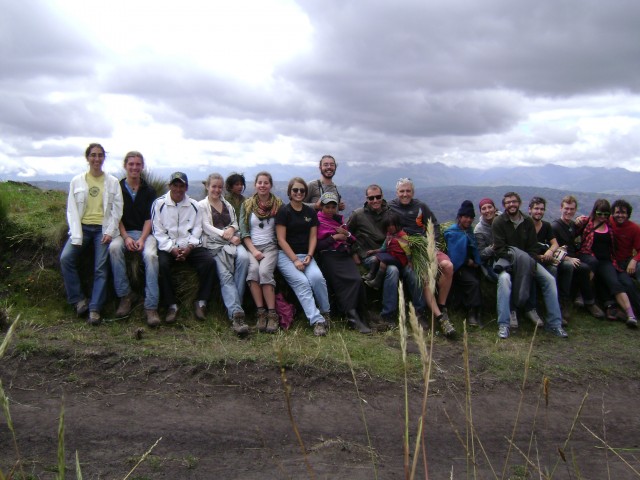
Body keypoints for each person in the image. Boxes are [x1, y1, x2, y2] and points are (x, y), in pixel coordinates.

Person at [60, 143, 123, 325]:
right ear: (87, 158)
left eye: (100, 155)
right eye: (93, 155)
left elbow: (117, 210)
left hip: (102, 230)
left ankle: (95, 309)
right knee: (66, 258)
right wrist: (76, 234)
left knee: (100, 268)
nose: (97, 159)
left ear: (104, 158)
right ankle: (78, 300)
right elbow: (71, 210)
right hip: (83, 228)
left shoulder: (112, 182)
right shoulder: (77, 181)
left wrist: (110, 232)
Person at [347, 184, 426, 328]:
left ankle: (420, 313)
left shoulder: (390, 212)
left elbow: (400, 231)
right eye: (371, 198)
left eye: (378, 197)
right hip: (371, 255)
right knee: (392, 270)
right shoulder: (358, 215)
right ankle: (388, 315)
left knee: (412, 272)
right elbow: (347, 235)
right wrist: (353, 253)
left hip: (393, 254)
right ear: (367, 199)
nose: (375, 200)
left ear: (382, 196)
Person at [492, 192, 568, 339]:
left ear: (519, 203)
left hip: (527, 260)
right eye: (508, 202)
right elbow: (499, 249)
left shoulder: (527, 222)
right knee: (504, 280)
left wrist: (526, 260)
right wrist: (518, 260)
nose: (511, 204)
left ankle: (555, 324)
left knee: (549, 280)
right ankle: (503, 324)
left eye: (514, 201)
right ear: (504, 205)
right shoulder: (498, 222)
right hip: (506, 260)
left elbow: (532, 247)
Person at [389, 178, 456, 337]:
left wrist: (436, 245)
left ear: (413, 192)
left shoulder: (421, 207)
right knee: (424, 277)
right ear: (397, 192)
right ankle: (440, 317)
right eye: (402, 191)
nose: (405, 194)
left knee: (448, 266)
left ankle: (442, 305)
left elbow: (434, 225)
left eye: (408, 191)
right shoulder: (390, 207)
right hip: (410, 250)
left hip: (426, 245)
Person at [151, 172, 217, 323]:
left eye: (182, 186)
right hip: (168, 246)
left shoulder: (194, 205)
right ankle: (171, 305)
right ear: (169, 186)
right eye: (175, 185)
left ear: (186, 188)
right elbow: (158, 231)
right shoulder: (159, 204)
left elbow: (197, 229)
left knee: (209, 263)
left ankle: (201, 302)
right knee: (162, 265)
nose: (178, 189)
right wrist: (171, 248)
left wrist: (189, 247)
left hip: (189, 246)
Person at [108, 151, 160, 326]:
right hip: (123, 232)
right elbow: (117, 217)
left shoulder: (149, 190)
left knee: (151, 256)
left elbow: (149, 218)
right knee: (114, 248)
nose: (135, 168)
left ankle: (151, 306)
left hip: (145, 233)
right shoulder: (117, 188)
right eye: (131, 164)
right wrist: (126, 237)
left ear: (142, 167)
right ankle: (125, 296)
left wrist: (143, 239)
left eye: (138, 164)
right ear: (125, 166)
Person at [276, 177, 331, 336]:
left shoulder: (310, 212)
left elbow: (313, 237)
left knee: (317, 278)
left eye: (302, 190)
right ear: (290, 192)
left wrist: (309, 255)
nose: (298, 193)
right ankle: (317, 321)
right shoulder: (284, 211)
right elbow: (281, 239)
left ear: (305, 192)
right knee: (302, 283)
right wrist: (294, 260)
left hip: (306, 254)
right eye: (295, 190)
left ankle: (326, 312)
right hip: (286, 255)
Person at [199, 173, 250, 335]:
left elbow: (234, 222)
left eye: (219, 187)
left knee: (244, 258)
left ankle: (237, 304)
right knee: (225, 275)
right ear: (207, 186)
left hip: (232, 240)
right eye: (214, 186)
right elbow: (206, 226)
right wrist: (224, 234)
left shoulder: (226, 204)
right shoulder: (202, 205)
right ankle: (236, 314)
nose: (217, 190)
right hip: (215, 245)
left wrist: (231, 230)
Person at [576, 199, 638, 327]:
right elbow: (573, 231)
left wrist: (633, 260)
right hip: (590, 257)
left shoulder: (611, 225)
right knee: (592, 268)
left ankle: (631, 315)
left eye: (606, 214)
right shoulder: (588, 222)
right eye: (600, 214)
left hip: (608, 261)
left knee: (617, 283)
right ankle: (583, 296)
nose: (603, 216)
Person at [316, 192, 371, 334]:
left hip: (343, 254)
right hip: (328, 256)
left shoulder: (339, 221)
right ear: (321, 207)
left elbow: (352, 239)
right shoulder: (317, 221)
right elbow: (317, 245)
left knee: (357, 280)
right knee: (345, 281)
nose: (330, 210)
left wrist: (345, 234)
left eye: (333, 207)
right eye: (327, 207)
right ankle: (352, 317)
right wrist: (335, 238)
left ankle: (362, 315)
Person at [239, 172, 283, 333]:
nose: (262, 185)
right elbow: (243, 231)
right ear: (255, 185)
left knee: (264, 272)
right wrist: (254, 251)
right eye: (260, 183)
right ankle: (261, 313)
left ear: (271, 185)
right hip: (252, 246)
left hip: (271, 246)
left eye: (266, 183)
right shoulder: (248, 205)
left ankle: (272, 315)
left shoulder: (278, 204)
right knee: (252, 271)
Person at [551, 195, 604, 319]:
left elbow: (590, 225)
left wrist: (581, 219)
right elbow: (553, 248)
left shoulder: (573, 225)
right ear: (561, 208)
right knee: (584, 268)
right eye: (566, 208)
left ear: (575, 210)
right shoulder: (555, 227)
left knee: (593, 262)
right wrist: (568, 258)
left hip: (575, 255)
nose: (569, 212)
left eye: (572, 209)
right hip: (562, 259)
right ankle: (586, 302)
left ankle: (582, 297)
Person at [474, 197, 519, 329]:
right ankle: (509, 313)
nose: (487, 210)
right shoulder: (479, 229)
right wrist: (493, 247)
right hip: (493, 262)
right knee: (505, 277)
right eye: (484, 208)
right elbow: (481, 254)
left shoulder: (505, 220)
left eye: (490, 207)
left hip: (510, 256)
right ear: (480, 211)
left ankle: (523, 309)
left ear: (495, 208)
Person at [529, 196, 570, 325]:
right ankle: (537, 309)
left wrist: (550, 252)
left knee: (555, 269)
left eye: (541, 209)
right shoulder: (525, 226)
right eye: (536, 209)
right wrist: (539, 257)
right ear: (530, 210)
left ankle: (554, 308)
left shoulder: (546, 226)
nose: (539, 212)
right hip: (531, 260)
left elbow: (555, 244)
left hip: (544, 260)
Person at [444, 200, 483, 326]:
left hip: (470, 266)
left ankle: (478, 312)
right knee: (473, 283)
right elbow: (454, 254)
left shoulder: (469, 232)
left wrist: (476, 262)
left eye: (471, 217)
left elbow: (474, 250)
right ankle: (472, 313)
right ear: (460, 217)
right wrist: (468, 261)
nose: (469, 220)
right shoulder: (452, 232)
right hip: (458, 267)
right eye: (466, 217)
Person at [363, 213, 411, 290]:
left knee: (383, 262)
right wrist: (373, 251)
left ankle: (377, 282)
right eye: (388, 226)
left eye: (393, 225)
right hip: (391, 255)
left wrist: (409, 262)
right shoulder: (389, 235)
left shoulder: (402, 235)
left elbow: (407, 250)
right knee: (376, 258)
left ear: (397, 224)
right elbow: (384, 248)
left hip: (399, 259)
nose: (390, 227)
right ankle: (371, 275)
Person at [610, 199, 640, 283]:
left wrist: (634, 260)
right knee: (626, 283)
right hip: (611, 262)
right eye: (617, 212)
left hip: (626, 261)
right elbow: (593, 219)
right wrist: (580, 218)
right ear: (613, 213)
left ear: (628, 214)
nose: (620, 215)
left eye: (623, 213)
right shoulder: (608, 221)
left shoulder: (634, 228)